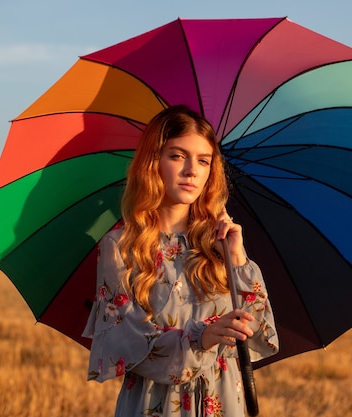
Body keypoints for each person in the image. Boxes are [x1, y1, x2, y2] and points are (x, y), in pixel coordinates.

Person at [82, 105, 278, 416]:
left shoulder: (221, 245)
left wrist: (238, 258)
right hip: (156, 405)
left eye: (203, 160)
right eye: (177, 156)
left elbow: (261, 334)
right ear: (153, 161)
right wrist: (202, 337)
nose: (192, 170)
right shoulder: (121, 246)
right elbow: (128, 344)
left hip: (224, 402)